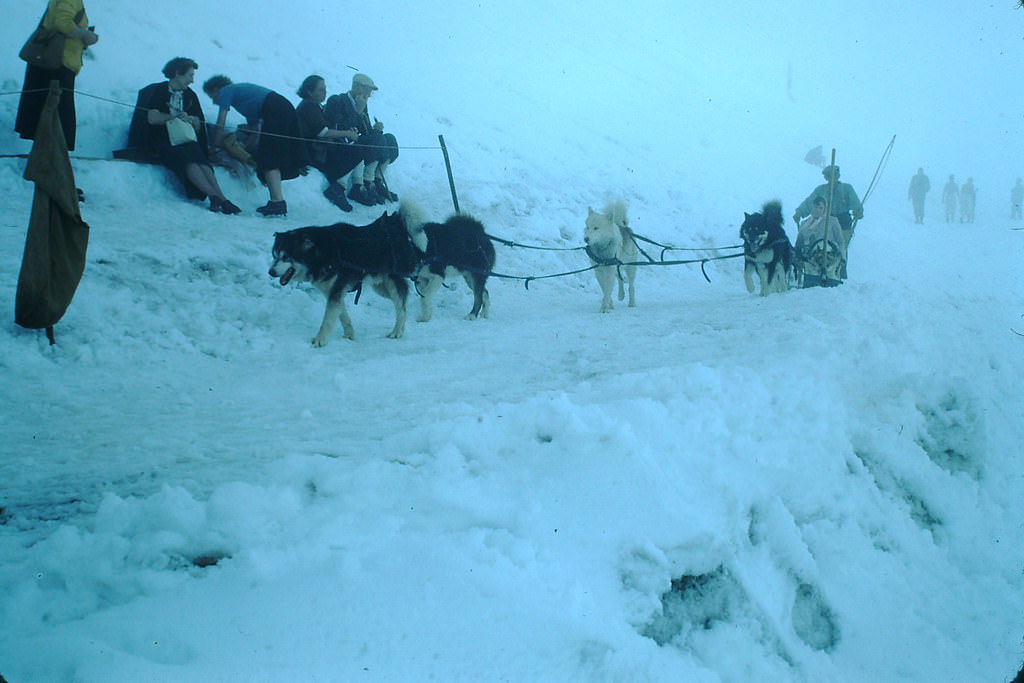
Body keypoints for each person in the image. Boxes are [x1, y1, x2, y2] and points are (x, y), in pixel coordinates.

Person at [121, 58, 240, 214]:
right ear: (177, 73)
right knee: (186, 158)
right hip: (161, 139)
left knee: (200, 159)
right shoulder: (156, 91)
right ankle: (213, 196)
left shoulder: (190, 95)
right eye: (190, 75)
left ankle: (222, 198)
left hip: (184, 137)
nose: (192, 80)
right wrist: (173, 117)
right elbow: (151, 118)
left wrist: (191, 119)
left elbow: (198, 123)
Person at [202, 75, 306, 216]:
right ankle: (277, 201)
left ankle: (277, 202)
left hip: (274, 109)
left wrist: (215, 146)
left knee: (270, 157)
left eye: (212, 96)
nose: (214, 101)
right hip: (281, 106)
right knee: (269, 153)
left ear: (216, 89)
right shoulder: (245, 99)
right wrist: (244, 149)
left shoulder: (227, 90)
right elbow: (256, 130)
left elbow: (221, 121)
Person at [15, 0, 99, 153]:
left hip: (53, 62)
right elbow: (63, 23)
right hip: (59, 63)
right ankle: (50, 158)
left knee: (47, 115)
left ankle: (45, 155)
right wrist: (86, 35)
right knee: (58, 117)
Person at [324, 73, 400, 207]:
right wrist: (358, 111)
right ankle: (361, 184)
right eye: (367, 89)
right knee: (376, 140)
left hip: (355, 140)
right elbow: (340, 127)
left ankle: (376, 181)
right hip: (339, 143)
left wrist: (375, 130)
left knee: (389, 139)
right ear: (356, 87)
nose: (369, 94)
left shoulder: (363, 104)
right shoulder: (337, 101)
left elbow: (364, 131)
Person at [295, 74, 360, 212]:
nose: (325, 92)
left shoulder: (314, 106)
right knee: (357, 151)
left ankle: (340, 188)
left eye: (325, 89)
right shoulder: (308, 106)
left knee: (356, 149)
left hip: (318, 150)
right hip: (314, 154)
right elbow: (322, 132)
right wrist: (347, 134)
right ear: (309, 92)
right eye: (320, 90)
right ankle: (337, 188)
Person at [793, 165, 862, 274]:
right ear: (826, 177)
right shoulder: (821, 190)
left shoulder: (846, 189)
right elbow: (810, 202)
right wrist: (800, 212)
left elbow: (855, 203)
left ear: (838, 176)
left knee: (840, 244)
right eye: (829, 175)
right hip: (825, 220)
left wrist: (858, 211)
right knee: (818, 245)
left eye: (834, 175)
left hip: (843, 221)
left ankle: (840, 269)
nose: (832, 178)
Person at [796, 196, 845, 287]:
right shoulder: (804, 224)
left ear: (824, 209)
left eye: (820, 208)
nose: (817, 210)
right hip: (810, 258)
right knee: (811, 272)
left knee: (830, 271)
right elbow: (799, 243)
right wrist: (799, 257)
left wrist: (842, 258)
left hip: (830, 256)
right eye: (815, 207)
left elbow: (840, 241)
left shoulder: (832, 221)